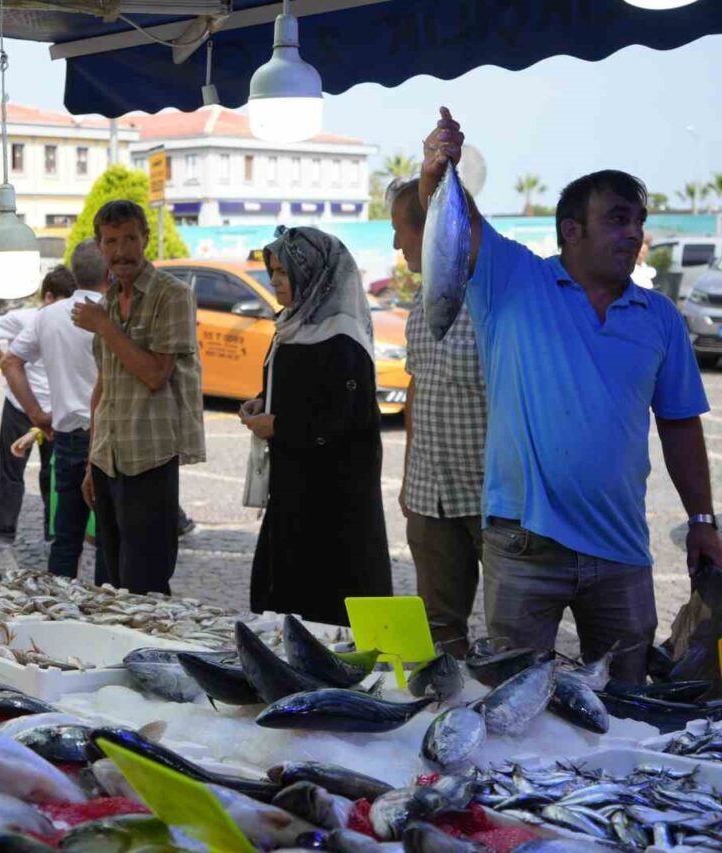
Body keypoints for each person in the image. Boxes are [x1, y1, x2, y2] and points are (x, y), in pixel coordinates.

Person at [421, 107, 722, 683]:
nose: (633, 233)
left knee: (626, 700)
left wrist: (703, 519)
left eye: (637, 220)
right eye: (617, 219)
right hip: (523, 547)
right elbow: (454, 220)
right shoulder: (513, 280)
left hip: (622, 552)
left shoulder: (659, 316)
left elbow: (680, 423)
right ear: (571, 230)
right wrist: (437, 166)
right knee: (513, 705)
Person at [240, 226, 392, 625]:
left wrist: (280, 426)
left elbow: (344, 417)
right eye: (272, 272)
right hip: (293, 489)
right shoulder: (294, 323)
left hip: (333, 501)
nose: (275, 282)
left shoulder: (343, 338)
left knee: (329, 605)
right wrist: (263, 400)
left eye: (284, 273)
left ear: (313, 275)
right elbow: (297, 387)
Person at [73, 200, 205, 595]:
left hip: (149, 459)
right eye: (111, 241)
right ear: (100, 247)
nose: (121, 250)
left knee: (145, 586)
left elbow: (154, 374)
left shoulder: (171, 295)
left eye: (130, 238)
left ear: (145, 239)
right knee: (110, 584)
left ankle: (153, 655)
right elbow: (104, 386)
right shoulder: (108, 301)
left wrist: (105, 327)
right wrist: (91, 462)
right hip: (108, 459)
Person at [393, 178, 486, 658]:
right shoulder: (419, 304)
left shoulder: (494, 302)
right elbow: (416, 387)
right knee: (440, 631)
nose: (394, 244)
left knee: (514, 632)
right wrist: (411, 478)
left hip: (494, 497)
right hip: (432, 499)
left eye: (399, 231)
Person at [3, 241, 109, 581]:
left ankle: (58, 605)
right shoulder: (114, 312)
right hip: (108, 436)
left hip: (67, 437)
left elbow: (10, 362)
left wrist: (35, 413)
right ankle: (108, 609)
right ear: (109, 270)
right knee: (109, 538)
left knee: (67, 537)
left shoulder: (48, 316)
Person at [0, 267, 74, 545]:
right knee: (11, 473)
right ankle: (3, 533)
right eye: (64, 302)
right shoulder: (26, 318)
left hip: (55, 413)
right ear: (49, 298)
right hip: (20, 406)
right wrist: (3, 359)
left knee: (53, 475)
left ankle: (53, 533)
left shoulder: (73, 322)